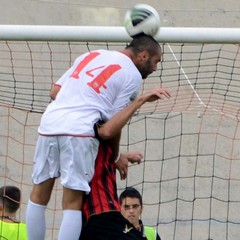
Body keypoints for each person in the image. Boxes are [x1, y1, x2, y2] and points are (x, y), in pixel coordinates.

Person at [26, 34, 166, 240]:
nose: (155, 68)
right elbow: (108, 131)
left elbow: (55, 91)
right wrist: (140, 101)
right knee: (72, 203)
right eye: (156, 62)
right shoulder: (132, 75)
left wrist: (81, 97)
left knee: (38, 196)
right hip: (79, 132)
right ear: (143, 56)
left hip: (50, 124)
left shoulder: (91, 55)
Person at [80, 87, 171, 240]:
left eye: (135, 207)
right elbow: (107, 132)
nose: (131, 211)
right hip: (100, 216)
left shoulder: (98, 148)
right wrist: (140, 100)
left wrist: (121, 156)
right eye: (127, 207)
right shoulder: (91, 133)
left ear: (141, 209)